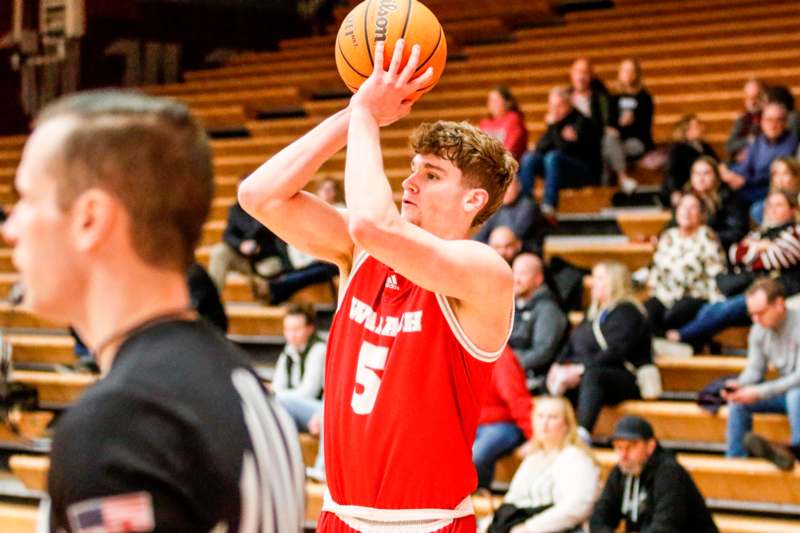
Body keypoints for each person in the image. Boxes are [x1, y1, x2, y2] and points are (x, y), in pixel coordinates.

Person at [238, 39, 516, 532]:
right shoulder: (362, 254)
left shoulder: (484, 271)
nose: (409, 184)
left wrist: (367, 114)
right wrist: (351, 116)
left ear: (474, 199)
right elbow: (258, 195)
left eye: (431, 175)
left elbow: (371, 223)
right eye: (411, 170)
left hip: (427, 524)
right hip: (340, 516)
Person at [3, 91, 304, 531]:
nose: (11, 228)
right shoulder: (240, 379)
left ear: (90, 218)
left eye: (27, 199)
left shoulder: (121, 422)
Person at [666, 189, 800, 348]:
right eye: (769, 205)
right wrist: (760, 247)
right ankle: (697, 345)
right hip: (752, 285)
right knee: (710, 309)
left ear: (793, 210)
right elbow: (734, 255)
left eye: (779, 205)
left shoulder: (795, 232)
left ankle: (681, 337)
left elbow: (775, 259)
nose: (772, 209)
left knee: (726, 308)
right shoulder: (760, 233)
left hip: (778, 287)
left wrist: (753, 251)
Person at [548, 261, 652, 440]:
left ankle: (582, 435)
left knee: (593, 375)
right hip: (588, 374)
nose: (592, 282)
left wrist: (579, 369)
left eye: (599, 278)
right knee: (551, 381)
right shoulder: (593, 312)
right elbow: (571, 342)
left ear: (615, 282)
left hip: (622, 377)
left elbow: (615, 352)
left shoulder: (628, 312)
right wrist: (559, 365)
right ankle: (552, 435)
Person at [479, 396, 599, 533]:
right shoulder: (534, 457)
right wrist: (488, 523)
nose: (545, 423)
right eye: (540, 416)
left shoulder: (576, 457)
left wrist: (530, 528)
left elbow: (578, 506)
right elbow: (513, 499)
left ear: (567, 424)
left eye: (552, 417)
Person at [590, 416, 718, 533]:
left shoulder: (670, 473)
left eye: (630, 447)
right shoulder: (620, 472)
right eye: (618, 447)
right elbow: (598, 518)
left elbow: (666, 527)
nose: (623, 454)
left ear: (650, 446)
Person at [722, 278, 800, 462]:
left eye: (761, 313)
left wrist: (759, 392)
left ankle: (797, 452)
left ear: (779, 304)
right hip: (784, 392)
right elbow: (755, 370)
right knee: (739, 402)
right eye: (752, 315)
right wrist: (740, 386)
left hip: (795, 392)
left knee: (795, 395)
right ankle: (735, 461)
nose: (756, 319)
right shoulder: (758, 329)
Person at [644, 192, 726, 336]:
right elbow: (655, 268)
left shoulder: (707, 235)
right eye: (683, 207)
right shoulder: (668, 235)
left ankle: (674, 345)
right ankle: (662, 347)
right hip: (665, 294)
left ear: (701, 214)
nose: (687, 212)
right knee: (647, 312)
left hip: (695, 295)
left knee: (673, 316)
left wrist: (716, 302)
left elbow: (716, 272)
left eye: (693, 207)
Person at [517, 86, 602, 219]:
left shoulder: (580, 121)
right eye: (551, 105)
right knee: (530, 158)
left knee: (553, 157)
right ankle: (524, 203)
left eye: (559, 105)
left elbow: (565, 150)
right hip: (558, 170)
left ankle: (549, 205)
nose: (554, 110)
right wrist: (554, 128)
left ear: (569, 104)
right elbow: (540, 147)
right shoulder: (556, 122)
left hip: (584, 173)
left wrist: (553, 126)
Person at [272, 304, 327, 479]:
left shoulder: (319, 349)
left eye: (297, 329)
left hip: (321, 408)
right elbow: (278, 386)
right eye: (288, 329)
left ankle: (322, 469)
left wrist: (276, 395)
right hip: (301, 410)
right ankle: (283, 468)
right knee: (275, 408)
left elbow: (308, 391)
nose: (292, 335)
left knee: (278, 401)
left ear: (309, 329)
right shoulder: (288, 352)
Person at [473, 346, 533, 490]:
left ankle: (478, 501)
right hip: (470, 424)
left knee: (475, 457)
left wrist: (535, 436)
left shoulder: (500, 356)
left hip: (503, 424)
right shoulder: (456, 352)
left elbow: (517, 399)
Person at [720, 101, 799, 206]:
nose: (773, 125)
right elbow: (746, 166)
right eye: (769, 120)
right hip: (751, 186)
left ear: (784, 123)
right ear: (762, 122)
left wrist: (745, 180)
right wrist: (728, 170)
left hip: (771, 190)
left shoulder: (791, 143)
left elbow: (770, 174)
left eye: (778, 120)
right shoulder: (758, 141)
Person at [509, 253, 567, 388]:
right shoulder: (510, 304)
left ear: (538, 279)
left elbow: (542, 352)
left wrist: (507, 365)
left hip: (534, 379)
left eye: (522, 274)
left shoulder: (548, 310)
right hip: (505, 374)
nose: (516, 279)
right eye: (514, 273)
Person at [208, 196, 286, 296]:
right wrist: (241, 245)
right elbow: (227, 235)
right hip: (246, 259)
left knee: (268, 270)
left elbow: (279, 241)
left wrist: (257, 247)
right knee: (219, 252)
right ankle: (211, 299)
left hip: (267, 259)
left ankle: (264, 287)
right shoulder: (236, 209)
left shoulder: (270, 207)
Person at [605, 58, 654, 192]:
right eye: (625, 71)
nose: (628, 74)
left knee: (608, 150)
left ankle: (613, 182)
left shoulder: (644, 98)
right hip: (616, 140)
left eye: (631, 71)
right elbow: (609, 124)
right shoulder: (613, 97)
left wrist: (631, 123)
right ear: (620, 73)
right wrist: (620, 125)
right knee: (609, 141)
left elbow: (645, 128)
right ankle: (622, 178)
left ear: (637, 74)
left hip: (636, 141)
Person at [682, 156, 749, 251]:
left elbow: (737, 232)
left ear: (716, 176)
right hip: (689, 246)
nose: (701, 178)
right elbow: (674, 224)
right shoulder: (686, 198)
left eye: (706, 173)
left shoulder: (729, 198)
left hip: (717, 248)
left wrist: (707, 237)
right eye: (696, 173)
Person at [474, 177, 543, 255]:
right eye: (501, 186)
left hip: (524, 252)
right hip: (498, 251)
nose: (505, 191)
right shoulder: (493, 207)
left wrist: (496, 245)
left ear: (519, 187)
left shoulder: (528, 206)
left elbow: (510, 237)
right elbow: (479, 237)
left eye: (508, 186)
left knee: (523, 265)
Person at [661, 114, 718, 206]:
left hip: (703, 187)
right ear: (686, 131)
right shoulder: (677, 148)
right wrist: (675, 191)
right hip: (684, 188)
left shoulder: (704, 146)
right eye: (696, 126)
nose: (701, 128)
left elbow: (716, 163)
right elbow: (671, 172)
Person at [479, 85, 529, 162]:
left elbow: (510, 148)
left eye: (496, 101)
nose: (492, 104)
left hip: (508, 165)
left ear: (507, 102)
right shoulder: (484, 123)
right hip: (488, 163)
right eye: (490, 101)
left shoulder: (514, 119)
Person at [749, 156, 800, 225]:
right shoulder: (760, 208)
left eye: (786, 173)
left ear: (796, 176)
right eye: (776, 174)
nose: (780, 178)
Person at [726, 78, 765, 163]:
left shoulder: (769, 117)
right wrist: (748, 140)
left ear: (764, 97)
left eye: (756, 97)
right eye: (748, 97)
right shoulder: (742, 119)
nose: (752, 102)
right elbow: (729, 145)